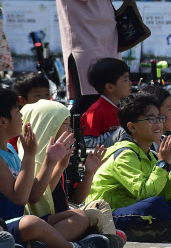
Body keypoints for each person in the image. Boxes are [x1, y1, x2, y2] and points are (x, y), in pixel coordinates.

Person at [87, 94, 171, 242]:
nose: (158, 123)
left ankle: (161, 229)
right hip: (110, 215)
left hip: (138, 209)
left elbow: (164, 193)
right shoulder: (125, 155)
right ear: (132, 127)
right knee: (155, 205)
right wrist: (163, 163)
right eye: (151, 119)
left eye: (159, 117)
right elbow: (146, 195)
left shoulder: (149, 155)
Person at [0, 89, 110, 248]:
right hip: (8, 226)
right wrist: (31, 156)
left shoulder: (10, 149)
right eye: (17, 112)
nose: (22, 117)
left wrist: (54, 163)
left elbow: (33, 194)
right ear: (3, 121)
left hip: (22, 224)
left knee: (78, 216)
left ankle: (42, 244)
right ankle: (75, 246)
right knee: (32, 223)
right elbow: (21, 198)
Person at [19, 100, 125, 247]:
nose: (70, 130)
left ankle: (102, 239)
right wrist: (56, 165)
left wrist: (89, 172)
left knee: (99, 207)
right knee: (85, 218)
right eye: (65, 124)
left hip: (60, 217)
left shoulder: (63, 157)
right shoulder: (29, 160)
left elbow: (77, 198)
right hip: (39, 223)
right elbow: (37, 198)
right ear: (49, 126)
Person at [81, 58, 131, 148]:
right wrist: (116, 133)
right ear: (110, 87)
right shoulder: (95, 111)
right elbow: (86, 143)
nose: (130, 83)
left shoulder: (122, 106)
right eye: (125, 80)